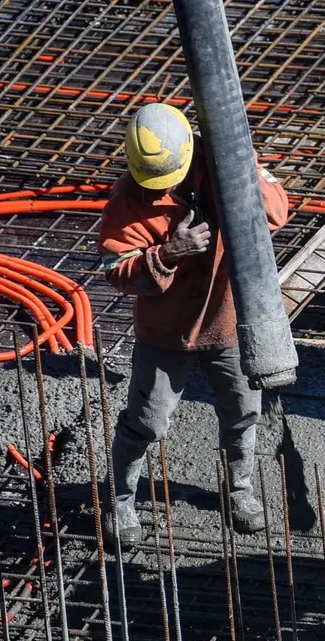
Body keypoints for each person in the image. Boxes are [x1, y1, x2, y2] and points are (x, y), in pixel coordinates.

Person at [98, 103, 289, 547]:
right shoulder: (130, 198)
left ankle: (239, 490)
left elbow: (276, 215)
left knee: (244, 413)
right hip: (167, 334)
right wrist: (167, 254)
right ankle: (121, 500)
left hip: (229, 323)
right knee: (147, 422)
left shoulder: (225, 164)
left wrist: (241, 169)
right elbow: (117, 271)